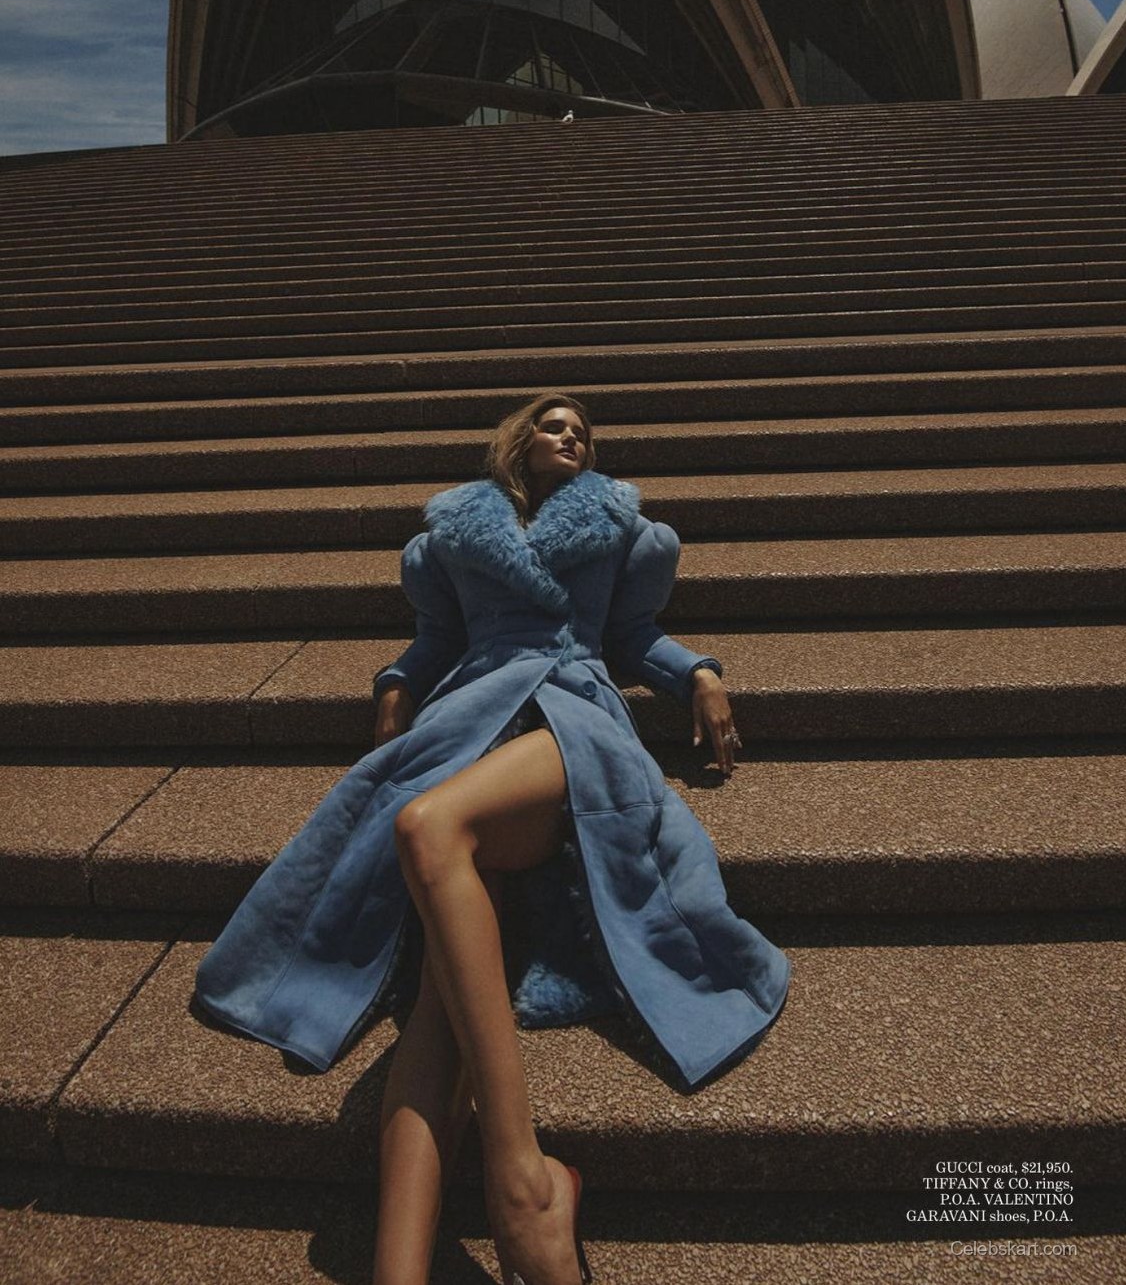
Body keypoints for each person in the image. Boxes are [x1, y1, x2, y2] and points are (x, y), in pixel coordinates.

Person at [193, 392, 790, 1285]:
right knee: (442, 1008)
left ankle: (523, 1180)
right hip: (468, 719)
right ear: (518, 439)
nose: (571, 436)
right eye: (554, 424)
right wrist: (397, 682)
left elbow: (632, 636)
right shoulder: (449, 539)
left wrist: (696, 673)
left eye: (582, 431)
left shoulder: (625, 529)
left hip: (571, 720)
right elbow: (436, 640)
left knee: (426, 823)